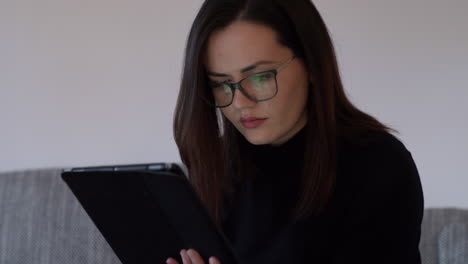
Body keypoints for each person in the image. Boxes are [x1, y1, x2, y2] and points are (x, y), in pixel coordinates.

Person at [168, 0, 424, 263]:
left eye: (260, 77)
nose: (239, 103)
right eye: (221, 84)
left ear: (312, 65)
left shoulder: (378, 164)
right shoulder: (218, 168)